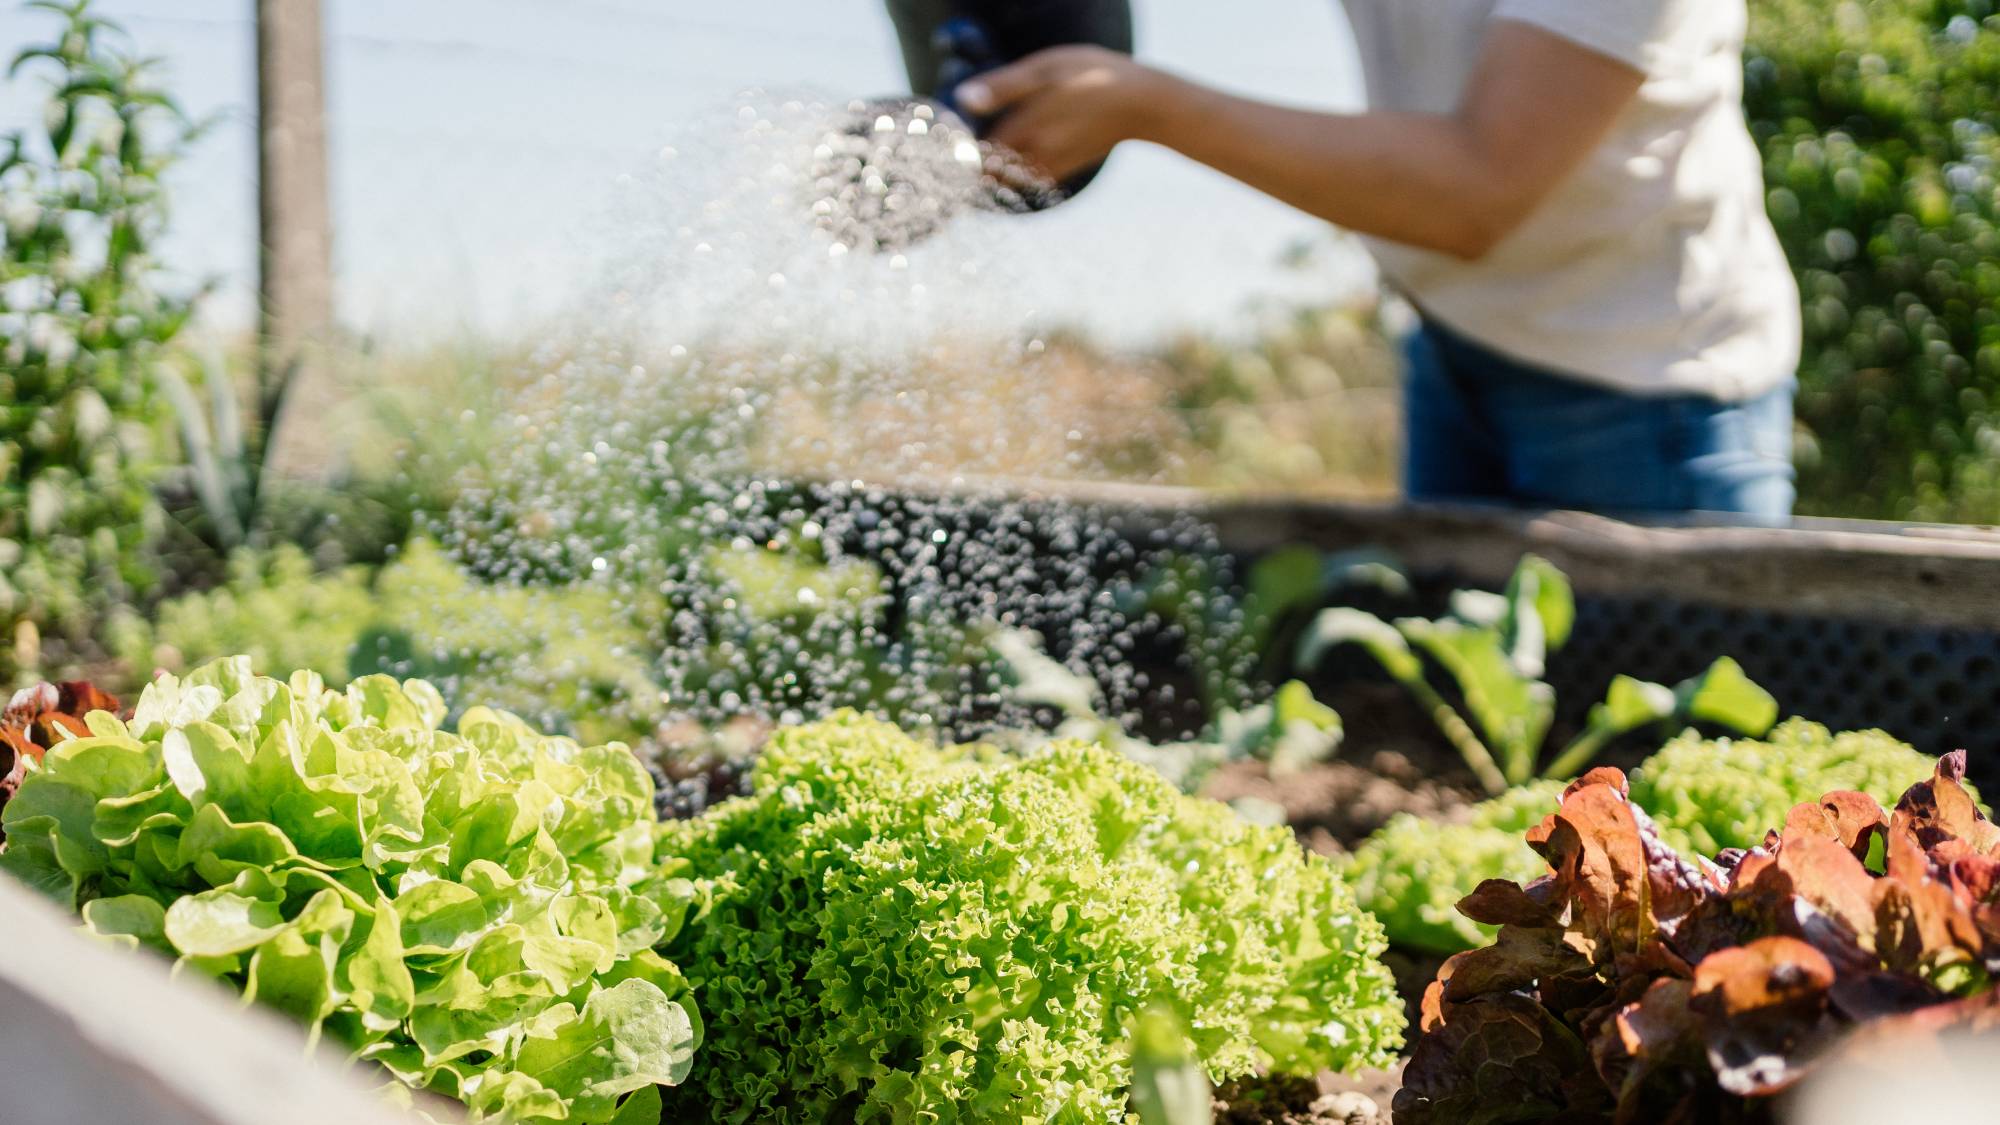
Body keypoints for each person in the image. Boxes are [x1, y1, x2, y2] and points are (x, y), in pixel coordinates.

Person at [886, 0, 1801, 520]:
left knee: (1666, 788)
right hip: (1451, 339)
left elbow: (1481, 190)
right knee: (1475, 739)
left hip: (1652, 385)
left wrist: (1144, 106)